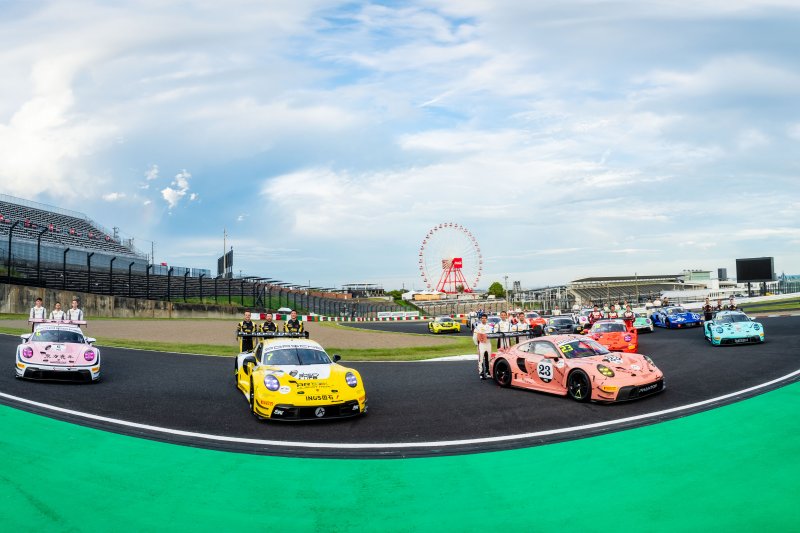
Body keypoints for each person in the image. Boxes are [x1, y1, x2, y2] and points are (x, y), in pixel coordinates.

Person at [472, 314, 493, 380]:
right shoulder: (478, 327)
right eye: (482, 318)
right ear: (481, 319)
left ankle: (488, 372)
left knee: (488, 359)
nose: (483, 319)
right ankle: (481, 373)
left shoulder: (489, 327)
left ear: (487, 319)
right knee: (480, 359)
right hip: (481, 344)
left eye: (485, 318)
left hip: (488, 344)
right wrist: (477, 344)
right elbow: (474, 337)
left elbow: (491, 335)